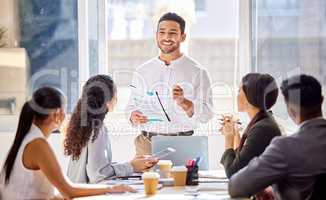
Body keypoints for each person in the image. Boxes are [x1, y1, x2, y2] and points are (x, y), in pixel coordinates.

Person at [0, 87, 135, 199]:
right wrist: (111, 188)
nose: (67, 116)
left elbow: (55, 193)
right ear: (56, 114)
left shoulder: (29, 138)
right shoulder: (38, 144)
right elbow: (68, 190)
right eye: (65, 111)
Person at [126, 12, 214, 155]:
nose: (166, 37)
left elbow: (208, 114)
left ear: (183, 37)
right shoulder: (142, 71)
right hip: (147, 144)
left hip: (184, 144)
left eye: (172, 33)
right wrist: (132, 115)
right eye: (162, 32)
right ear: (156, 35)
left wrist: (186, 103)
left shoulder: (198, 72)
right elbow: (131, 106)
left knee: (185, 178)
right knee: (143, 178)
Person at [228, 74, 326, 200]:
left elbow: (236, 186)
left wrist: (275, 189)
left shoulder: (284, 148)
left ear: (290, 111)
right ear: (322, 100)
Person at [65, 75, 157, 184]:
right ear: (108, 101)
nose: (117, 98)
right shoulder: (97, 129)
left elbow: (98, 168)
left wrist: (130, 164)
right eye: (115, 94)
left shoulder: (82, 124)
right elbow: (98, 175)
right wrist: (131, 166)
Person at [220, 73, 281, 178]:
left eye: (239, 91)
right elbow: (242, 160)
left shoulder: (262, 129)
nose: (237, 95)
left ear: (249, 97)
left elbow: (233, 173)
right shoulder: (263, 122)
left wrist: (228, 138)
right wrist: (235, 134)